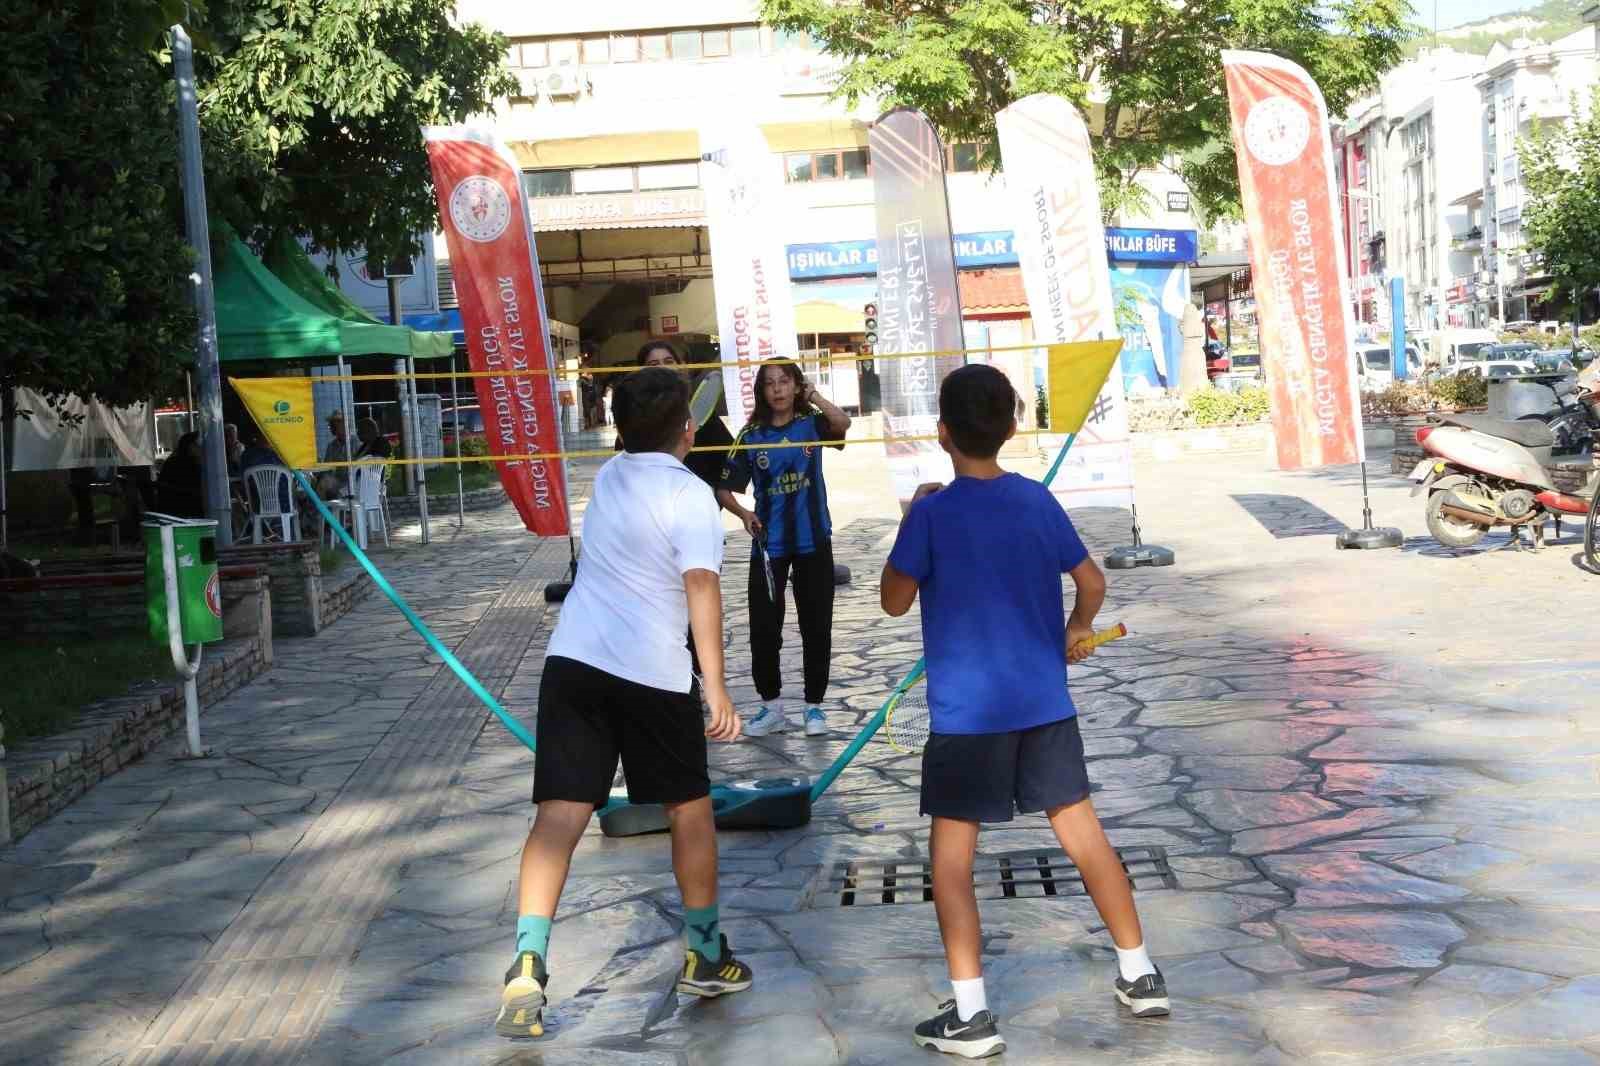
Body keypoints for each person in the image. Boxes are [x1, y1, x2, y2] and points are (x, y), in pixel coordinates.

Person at [880, 365, 1168, 1059]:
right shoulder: (1037, 500)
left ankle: (972, 1015)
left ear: (942, 434)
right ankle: (1140, 972)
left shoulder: (932, 513)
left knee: (951, 861)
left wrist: (909, 519)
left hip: (966, 718)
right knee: (1084, 836)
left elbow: (894, 600)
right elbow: (1092, 582)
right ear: (1012, 428)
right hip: (1043, 706)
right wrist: (1077, 627)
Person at [496, 366, 752, 1040]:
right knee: (689, 810)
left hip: (574, 664)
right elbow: (701, 587)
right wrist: (717, 685)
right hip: (652, 673)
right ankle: (704, 953)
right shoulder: (692, 495)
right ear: (689, 431)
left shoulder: (607, 480)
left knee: (559, 817)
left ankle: (527, 964)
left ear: (618, 430)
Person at [716, 360, 850, 738]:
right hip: (769, 548)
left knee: (816, 626)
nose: (777, 389)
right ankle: (770, 706)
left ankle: (814, 708)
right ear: (761, 391)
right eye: (770, 383)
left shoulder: (812, 425)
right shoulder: (751, 435)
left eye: (785, 382)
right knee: (763, 629)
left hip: (814, 542)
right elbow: (724, 488)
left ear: (795, 387)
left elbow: (843, 423)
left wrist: (814, 396)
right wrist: (743, 512)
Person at [155, 432, 206, 518]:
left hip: (174, 512)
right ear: (190, 446)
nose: (200, 448)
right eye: (197, 445)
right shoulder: (183, 464)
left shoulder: (174, 461)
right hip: (181, 513)